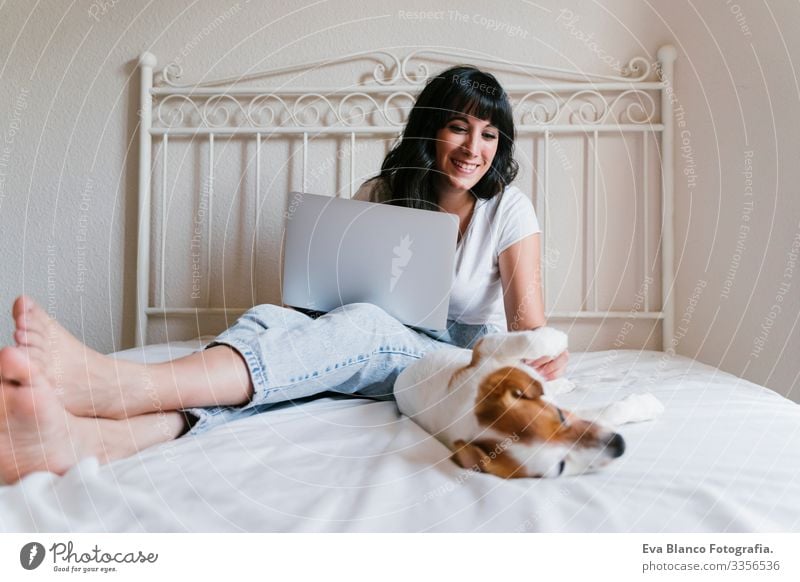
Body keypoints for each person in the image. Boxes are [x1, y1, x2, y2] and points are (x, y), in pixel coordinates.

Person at [0, 66, 568, 484]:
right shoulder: (382, 194)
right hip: (364, 341)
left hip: (451, 360)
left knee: (364, 327)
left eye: (490, 134)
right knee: (278, 320)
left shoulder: (508, 209)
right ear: (430, 131)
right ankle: (100, 438)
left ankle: (122, 386)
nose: (474, 148)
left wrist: (542, 356)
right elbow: (329, 298)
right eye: (459, 128)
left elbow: (528, 326)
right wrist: (302, 317)